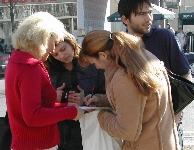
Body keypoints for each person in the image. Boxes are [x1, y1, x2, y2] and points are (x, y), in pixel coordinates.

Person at [81, 30, 179, 150]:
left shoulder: (124, 77)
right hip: (164, 142)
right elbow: (137, 100)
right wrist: (101, 100)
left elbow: (126, 130)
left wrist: (101, 115)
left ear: (103, 55)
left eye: (94, 62)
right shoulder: (142, 58)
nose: (96, 67)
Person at [5, 12, 85, 150]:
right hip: (37, 144)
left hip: (27, 142)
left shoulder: (16, 61)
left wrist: (64, 107)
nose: (53, 49)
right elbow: (33, 116)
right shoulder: (30, 66)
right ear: (43, 38)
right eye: (53, 43)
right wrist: (70, 112)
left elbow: (33, 107)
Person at [118, 0, 192, 149]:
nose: (149, 18)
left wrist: (174, 120)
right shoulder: (119, 46)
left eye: (150, 12)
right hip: (135, 132)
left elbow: (186, 80)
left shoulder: (164, 37)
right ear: (125, 19)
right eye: (141, 14)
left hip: (168, 129)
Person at [45, 33, 106, 150]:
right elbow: (41, 102)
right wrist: (54, 96)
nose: (62, 56)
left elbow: (107, 95)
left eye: (63, 49)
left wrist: (88, 98)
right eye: (55, 54)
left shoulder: (93, 65)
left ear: (71, 42)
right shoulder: (50, 70)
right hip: (61, 132)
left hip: (90, 130)